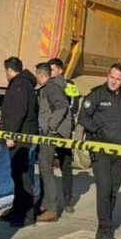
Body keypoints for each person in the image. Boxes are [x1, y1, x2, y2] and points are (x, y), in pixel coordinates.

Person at [78, 63, 121, 239]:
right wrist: (99, 130)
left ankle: (102, 228)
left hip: (119, 151)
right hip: (101, 151)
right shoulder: (97, 94)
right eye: (112, 77)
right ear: (107, 75)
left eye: (118, 79)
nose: (114, 81)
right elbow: (83, 117)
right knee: (104, 190)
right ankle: (107, 231)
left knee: (112, 191)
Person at [0, 56, 39, 228]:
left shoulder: (20, 85)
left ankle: (26, 215)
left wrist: (10, 134)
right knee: (17, 175)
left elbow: (18, 112)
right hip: (21, 134)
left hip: (20, 137)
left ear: (9, 70)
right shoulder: (22, 83)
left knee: (22, 176)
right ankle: (17, 209)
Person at [33, 62, 73, 223]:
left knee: (45, 167)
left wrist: (51, 126)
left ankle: (51, 209)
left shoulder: (50, 87)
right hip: (55, 132)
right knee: (46, 167)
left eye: (37, 76)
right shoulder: (55, 85)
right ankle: (46, 204)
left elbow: (62, 107)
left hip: (51, 133)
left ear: (41, 75)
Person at [48, 57, 78, 213]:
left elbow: (74, 106)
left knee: (65, 165)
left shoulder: (69, 84)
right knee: (46, 165)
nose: (50, 72)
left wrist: (59, 119)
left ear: (60, 70)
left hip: (63, 131)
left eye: (52, 69)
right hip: (48, 131)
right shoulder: (46, 85)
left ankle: (67, 200)